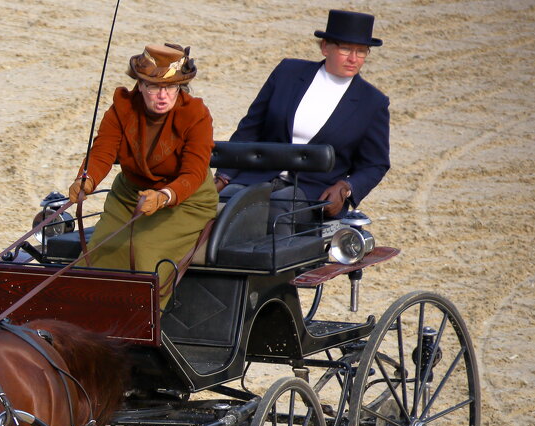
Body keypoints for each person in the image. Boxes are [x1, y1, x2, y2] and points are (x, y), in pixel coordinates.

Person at [67, 43, 217, 310]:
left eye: (170, 87)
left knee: (143, 249)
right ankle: (86, 315)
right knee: (100, 249)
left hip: (185, 200)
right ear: (140, 84)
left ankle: (141, 320)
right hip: (129, 195)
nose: (162, 95)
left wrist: (163, 197)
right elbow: (102, 152)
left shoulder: (196, 115)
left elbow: (193, 172)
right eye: (154, 87)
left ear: (180, 87)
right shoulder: (122, 108)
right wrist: (85, 180)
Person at [214, 9, 389, 222]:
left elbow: (375, 164)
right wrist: (225, 175)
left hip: (314, 191)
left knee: (278, 213)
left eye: (361, 51)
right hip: (258, 175)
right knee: (223, 205)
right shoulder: (287, 73)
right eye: (345, 49)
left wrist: (346, 188)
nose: (353, 58)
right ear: (326, 47)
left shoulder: (372, 102)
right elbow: (251, 128)